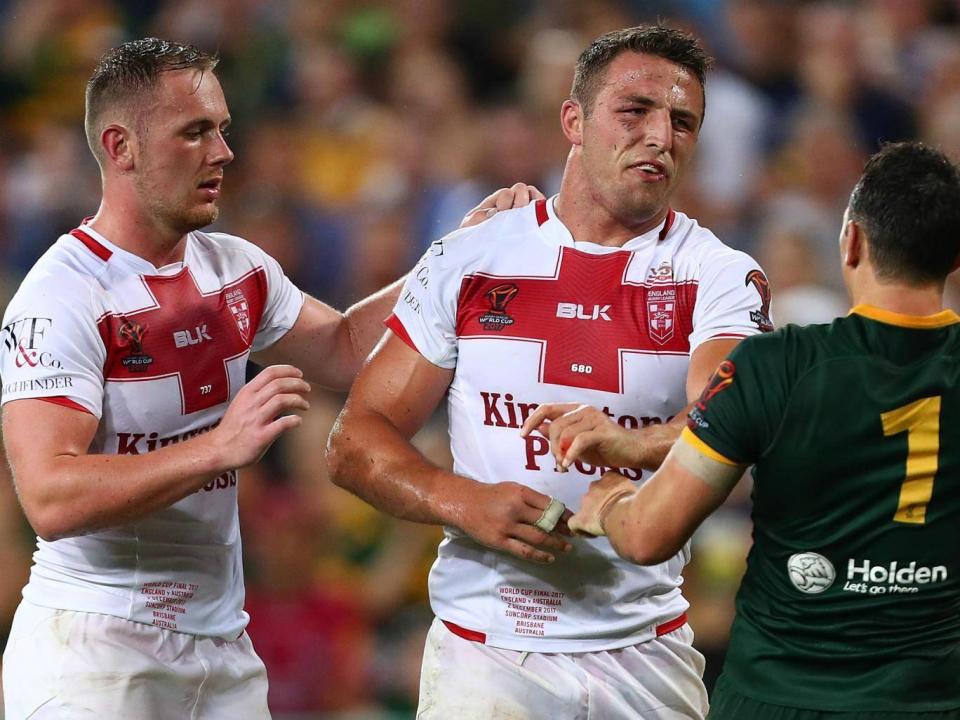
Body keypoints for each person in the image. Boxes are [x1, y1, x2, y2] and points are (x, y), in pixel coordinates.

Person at [0, 38, 536, 720]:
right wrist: (218, 449)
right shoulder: (61, 296)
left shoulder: (235, 269)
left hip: (221, 651)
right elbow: (49, 494)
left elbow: (345, 348)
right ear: (120, 147)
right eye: (193, 132)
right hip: (94, 654)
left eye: (222, 130)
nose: (222, 152)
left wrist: (455, 256)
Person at [327, 25, 775, 719]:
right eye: (635, 111)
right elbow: (355, 439)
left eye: (683, 122)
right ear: (573, 120)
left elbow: (736, 414)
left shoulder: (717, 275)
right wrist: (459, 500)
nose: (661, 135)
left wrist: (637, 442)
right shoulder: (472, 256)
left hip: (645, 652)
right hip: (487, 655)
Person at [566, 141, 960, 720]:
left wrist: (611, 502)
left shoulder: (774, 366)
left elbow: (648, 535)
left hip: (778, 697)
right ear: (955, 259)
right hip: (932, 702)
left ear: (850, 242)